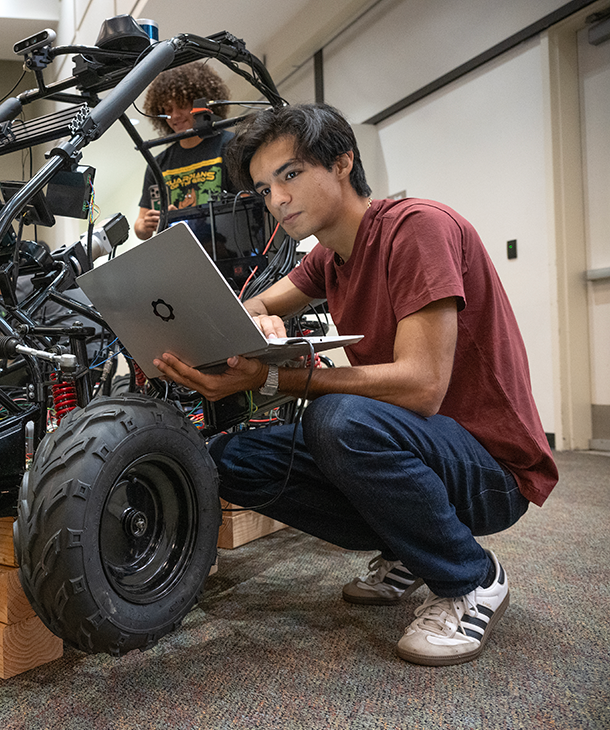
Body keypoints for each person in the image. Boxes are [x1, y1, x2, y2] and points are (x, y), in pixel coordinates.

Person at [154, 103, 557, 667]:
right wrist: (257, 322)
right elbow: (258, 302)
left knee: (340, 420)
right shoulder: (329, 257)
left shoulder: (417, 228)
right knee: (231, 456)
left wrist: (277, 376)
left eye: (290, 175)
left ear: (342, 162)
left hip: (494, 468)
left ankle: (472, 579)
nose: (278, 199)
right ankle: (409, 550)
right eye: (265, 188)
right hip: (427, 448)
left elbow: (422, 388)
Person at [133, 62, 234, 240]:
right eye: (168, 109)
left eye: (182, 106)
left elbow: (249, 205)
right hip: (179, 253)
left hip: (225, 247)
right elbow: (141, 228)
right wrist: (146, 224)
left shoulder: (229, 145)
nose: (175, 116)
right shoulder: (157, 164)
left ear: (201, 103)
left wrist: (184, 216)